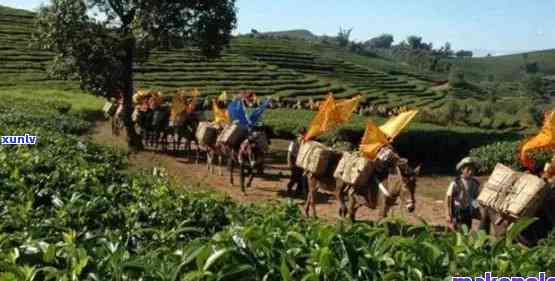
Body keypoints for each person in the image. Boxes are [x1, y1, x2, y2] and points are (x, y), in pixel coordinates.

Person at [446, 157, 481, 231]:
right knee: (457, 231)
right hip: (457, 212)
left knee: (467, 230)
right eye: (468, 169)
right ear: (462, 170)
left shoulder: (475, 183)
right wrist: (448, 214)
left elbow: (475, 198)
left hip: (468, 212)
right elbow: (448, 199)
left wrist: (476, 210)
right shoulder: (455, 183)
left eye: (472, 169)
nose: (470, 172)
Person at [286, 127, 307, 195]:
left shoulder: (306, 143)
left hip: (302, 162)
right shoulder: (293, 142)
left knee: (301, 176)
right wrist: (289, 162)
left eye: (304, 134)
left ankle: (298, 190)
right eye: (301, 134)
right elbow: (289, 153)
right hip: (294, 161)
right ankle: (289, 187)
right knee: (295, 176)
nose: (302, 135)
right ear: (298, 134)